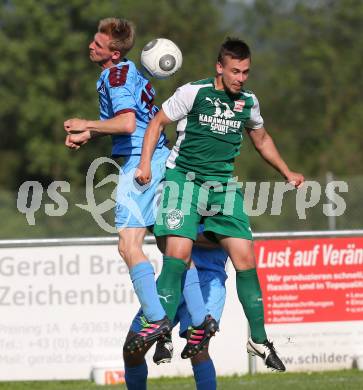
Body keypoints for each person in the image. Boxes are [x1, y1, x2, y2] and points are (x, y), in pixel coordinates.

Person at [136, 37, 305, 371]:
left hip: (222, 187)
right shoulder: (193, 92)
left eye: (245, 72)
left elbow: (262, 139)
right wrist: (144, 165)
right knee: (178, 255)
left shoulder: (248, 102)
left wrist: (286, 171)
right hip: (183, 180)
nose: (240, 78)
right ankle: (163, 331)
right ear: (219, 67)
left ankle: (258, 339)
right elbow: (157, 123)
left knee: (245, 257)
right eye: (235, 71)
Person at [63, 17, 217, 356]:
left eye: (98, 45)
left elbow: (128, 122)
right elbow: (138, 120)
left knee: (128, 245)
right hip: (160, 158)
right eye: (93, 40)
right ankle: (201, 319)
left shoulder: (112, 76)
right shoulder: (129, 70)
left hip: (140, 165)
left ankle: (156, 319)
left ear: (114, 54)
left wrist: (86, 122)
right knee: (169, 244)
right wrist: (91, 135)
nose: (91, 46)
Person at [124, 241, 229, 390]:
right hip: (172, 279)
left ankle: (165, 336)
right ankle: (164, 335)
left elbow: (230, 239)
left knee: (198, 349)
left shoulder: (227, 217)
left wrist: (183, 235)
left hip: (207, 281)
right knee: (131, 350)